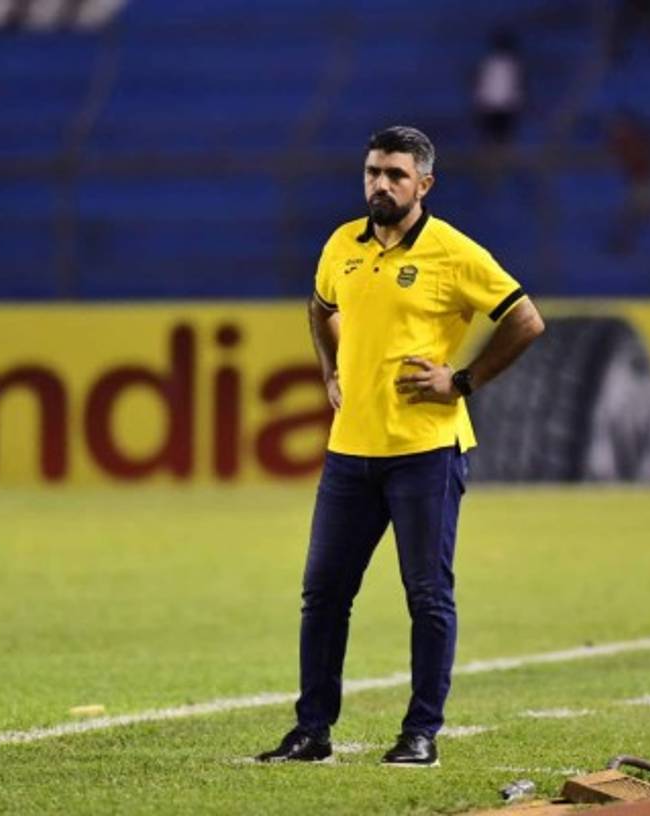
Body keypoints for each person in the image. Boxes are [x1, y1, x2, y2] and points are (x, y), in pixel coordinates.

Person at [256, 126, 545, 767]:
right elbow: (319, 305)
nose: (380, 184)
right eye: (372, 172)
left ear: (424, 184)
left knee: (427, 596)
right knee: (324, 593)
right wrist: (330, 370)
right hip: (350, 451)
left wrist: (462, 381)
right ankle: (312, 731)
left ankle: (421, 734)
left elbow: (525, 320)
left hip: (427, 451)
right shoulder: (342, 245)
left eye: (394, 174)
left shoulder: (452, 251)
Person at [473, 29, 526, 145]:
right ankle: (500, 154)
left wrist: (479, 100)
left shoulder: (488, 62)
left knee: (491, 133)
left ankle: (493, 155)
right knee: (502, 133)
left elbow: (480, 83)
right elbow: (518, 84)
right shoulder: (512, 63)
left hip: (491, 103)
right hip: (505, 103)